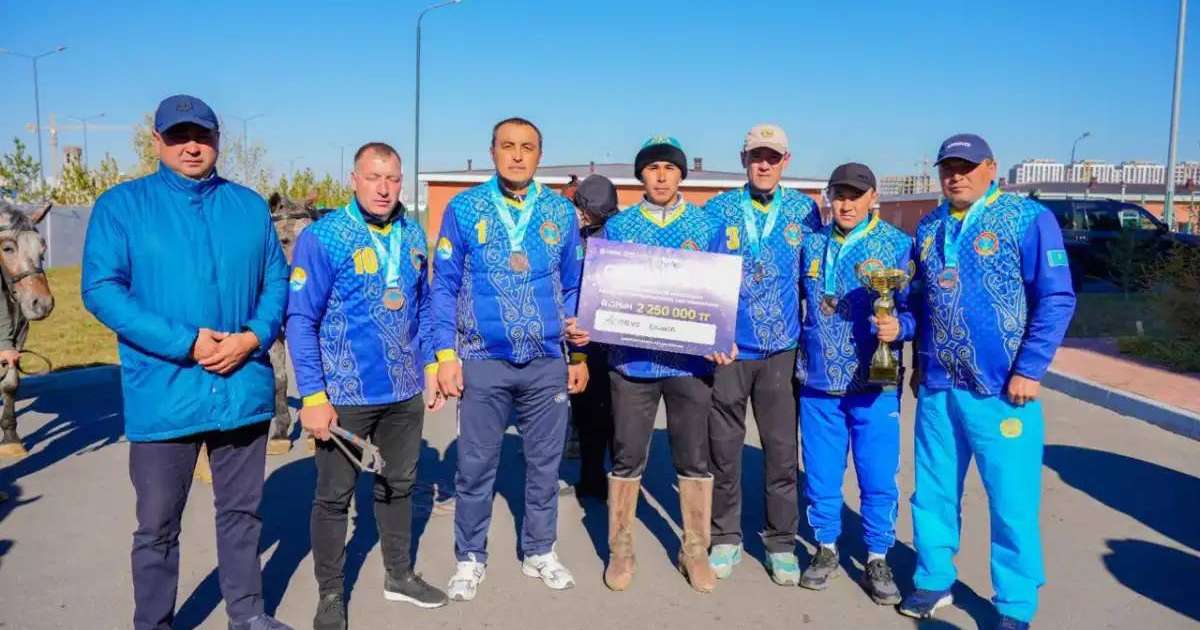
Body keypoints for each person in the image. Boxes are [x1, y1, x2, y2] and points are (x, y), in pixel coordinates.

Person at [81, 94, 291, 630]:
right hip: (165, 391)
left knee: (242, 514)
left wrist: (252, 337)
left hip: (241, 386)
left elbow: (275, 280)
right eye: (178, 136)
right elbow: (101, 289)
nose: (192, 146)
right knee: (157, 525)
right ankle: (154, 623)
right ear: (157, 141)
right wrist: (187, 343)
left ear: (218, 140)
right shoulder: (122, 207)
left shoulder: (248, 207)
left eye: (202, 135)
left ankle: (248, 614)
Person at [900, 134, 1076, 630]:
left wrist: (1030, 369)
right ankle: (934, 577)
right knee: (932, 493)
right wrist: (910, 349)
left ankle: (1014, 603)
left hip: (1002, 389)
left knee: (1011, 501)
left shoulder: (1027, 218)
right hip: (939, 386)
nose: (956, 175)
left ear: (991, 168)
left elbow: (1056, 297)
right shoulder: (929, 226)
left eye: (967, 166)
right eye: (948, 167)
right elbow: (919, 302)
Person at [286, 142, 449, 629]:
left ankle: (399, 575)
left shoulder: (412, 233)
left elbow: (422, 306)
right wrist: (313, 396)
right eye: (373, 177)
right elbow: (300, 319)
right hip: (344, 394)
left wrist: (431, 365)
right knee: (334, 497)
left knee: (399, 485)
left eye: (393, 178)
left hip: (403, 391)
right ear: (353, 180)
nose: (383, 188)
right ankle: (331, 594)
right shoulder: (323, 237)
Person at [431, 117, 590, 602]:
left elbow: (574, 285)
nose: (517, 155)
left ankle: (540, 550)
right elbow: (444, 286)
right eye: (507, 146)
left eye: (527, 147)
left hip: (546, 361)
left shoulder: (560, 213)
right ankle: (469, 556)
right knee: (475, 466)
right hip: (483, 359)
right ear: (492, 151)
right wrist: (445, 356)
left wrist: (578, 353)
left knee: (545, 464)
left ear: (540, 155)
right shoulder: (464, 208)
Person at [600, 136, 734, 594]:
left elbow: (722, 290)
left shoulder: (706, 225)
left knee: (694, 456)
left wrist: (722, 335)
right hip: (632, 363)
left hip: (689, 364)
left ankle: (694, 548)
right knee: (627, 454)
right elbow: (603, 287)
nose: (661, 176)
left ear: (681, 175)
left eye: (669, 168)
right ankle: (621, 547)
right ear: (641, 174)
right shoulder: (619, 226)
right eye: (653, 168)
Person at [702, 124, 819, 584]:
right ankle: (725, 536)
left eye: (772, 157)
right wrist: (713, 334)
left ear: (786, 161)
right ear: (743, 159)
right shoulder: (718, 210)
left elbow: (813, 277)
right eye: (756, 157)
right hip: (730, 353)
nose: (764, 165)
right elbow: (703, 278)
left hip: (780, 352)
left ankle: (781, 542)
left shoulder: (805, 211)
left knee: (781, 453)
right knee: (724, 451)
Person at [794, 163, 912, 605]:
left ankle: (878, 555)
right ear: (829, 197)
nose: (846, 204)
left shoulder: (897, 245)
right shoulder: (810, 243)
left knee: (877, 475)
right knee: (822, 475)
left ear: (872, 198)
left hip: (874, 383)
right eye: (839, 195)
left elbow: (916, 311)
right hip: (818, 381)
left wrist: (900, 328)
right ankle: (825, 547)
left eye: (855, 196)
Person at [570, 174, 620, 499]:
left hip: (613, 337)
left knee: (614, 415)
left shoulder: (620, 235)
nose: (585, 217)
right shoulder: (573, 234)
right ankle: (591, 477)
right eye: (583, 209)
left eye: (591, 212)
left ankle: (619, 480)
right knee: (586, 412)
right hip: (582, 337)